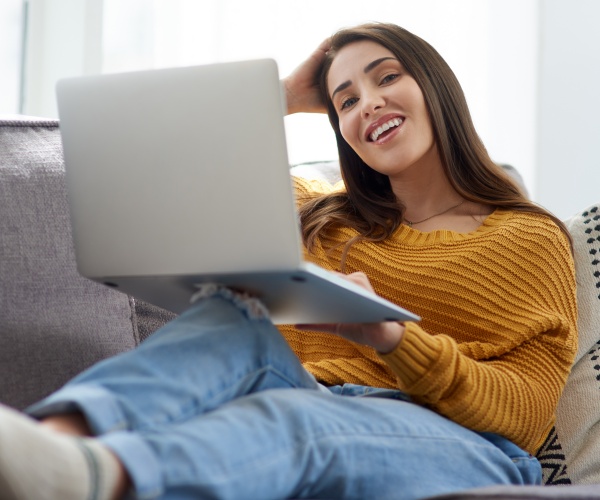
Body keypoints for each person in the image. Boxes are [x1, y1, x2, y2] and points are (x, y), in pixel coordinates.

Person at [0, 22, 577, 500]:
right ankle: (47, 449)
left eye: (387, 77)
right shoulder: (317, 213)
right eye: (346, 100)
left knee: (295, 422)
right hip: (303, 394)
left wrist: (392, 339)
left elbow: (524, 413)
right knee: (231, 319)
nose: (368, 102)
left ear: (435, 87)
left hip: (464, 447)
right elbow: (154, 157)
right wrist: (282, 97)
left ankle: (96, 475)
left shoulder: (527, 237)